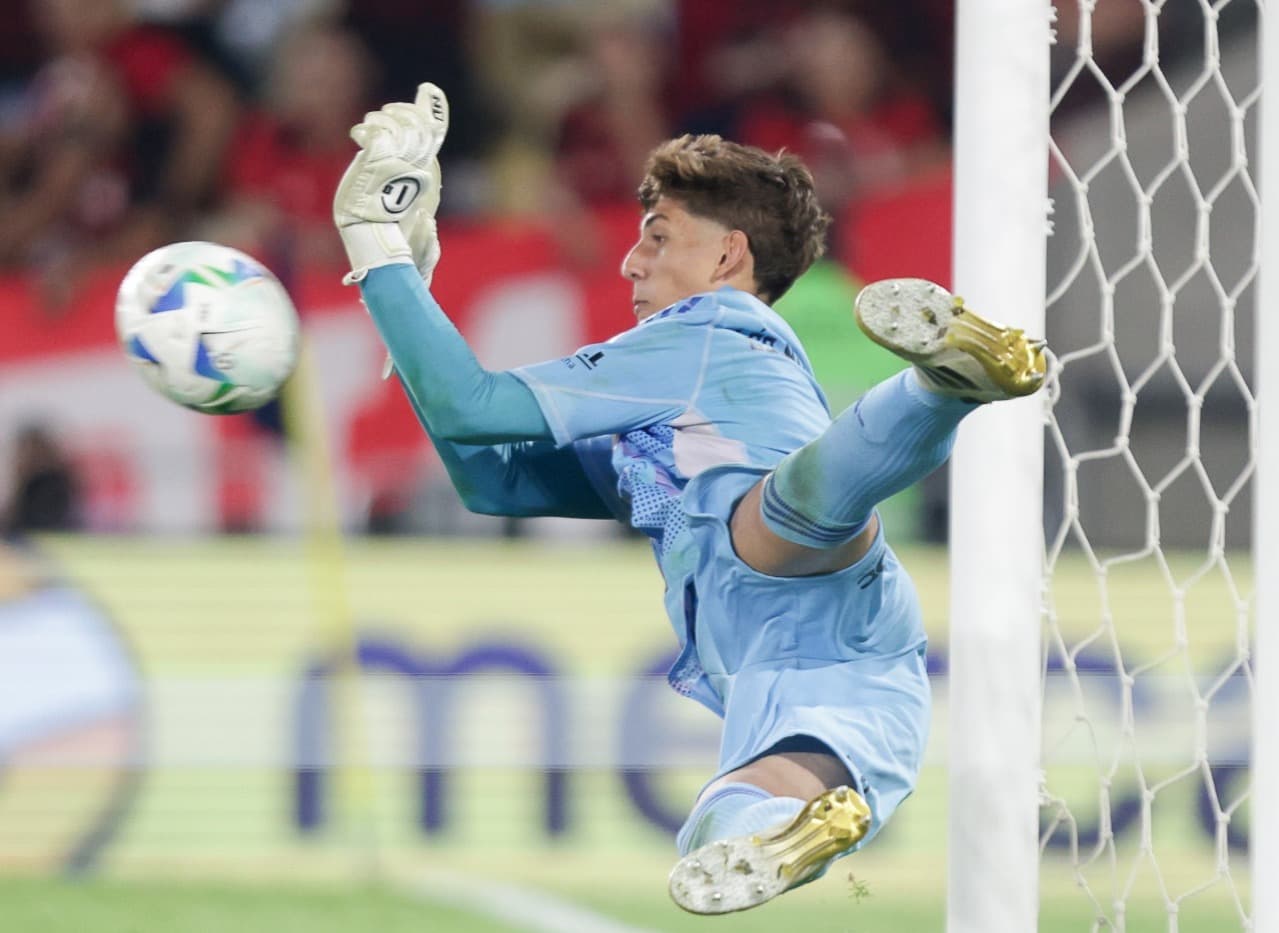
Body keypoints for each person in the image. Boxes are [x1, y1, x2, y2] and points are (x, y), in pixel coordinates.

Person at [331, 84, 1046, 914]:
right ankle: (789, 829)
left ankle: (939, 388)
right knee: (723, 826)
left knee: (782, 513)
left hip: (779, 556)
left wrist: (377, 250)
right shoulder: (678, 404)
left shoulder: (703, 330)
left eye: (657, 237)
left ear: (725, 257)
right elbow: (486, 474)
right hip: (842, 660)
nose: (632, 261)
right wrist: (409, 286)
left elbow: (474, 404)